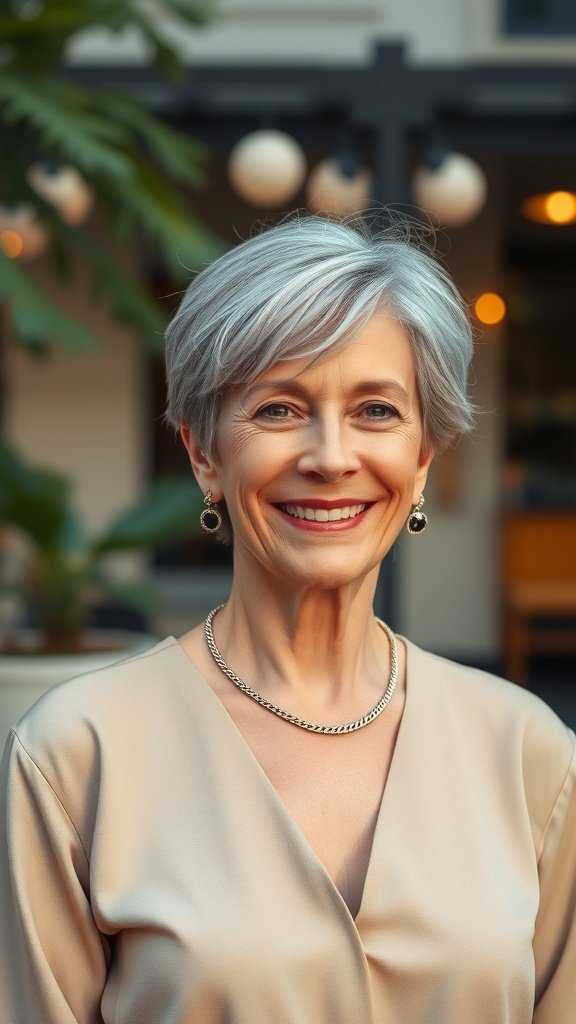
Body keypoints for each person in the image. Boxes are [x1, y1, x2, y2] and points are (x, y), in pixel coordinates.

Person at [1, 212, 575, 1024]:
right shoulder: (77, 753)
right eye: (277, 409)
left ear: (422, 458)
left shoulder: (529, 754)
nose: (331, 456)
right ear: (203, 453)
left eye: (377, 410)